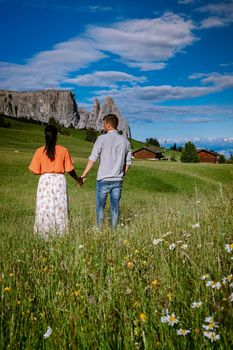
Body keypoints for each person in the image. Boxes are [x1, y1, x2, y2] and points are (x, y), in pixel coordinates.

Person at [29, 125, 82, 236]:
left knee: (43, 206)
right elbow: (70, 169)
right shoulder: (63, 150)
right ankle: (61, 233)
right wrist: (78, 179)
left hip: (45, 181)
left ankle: (43, 233)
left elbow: (34, 170)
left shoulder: (39, 151)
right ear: (56, 136)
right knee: (60, 206)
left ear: (45, 136)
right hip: (59, 181)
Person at [81, 114, 131, 229]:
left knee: (100, 207)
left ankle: (99, 230)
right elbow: (127, 163)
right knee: (115, 207)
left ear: (108, 125)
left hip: (103, 179)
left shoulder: (101, 139)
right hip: (117, 180)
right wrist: (121, 175)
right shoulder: (125, 141)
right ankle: (113, 230)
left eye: (104, 124)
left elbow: (92, 158)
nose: (103, 126)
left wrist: (84, 175)